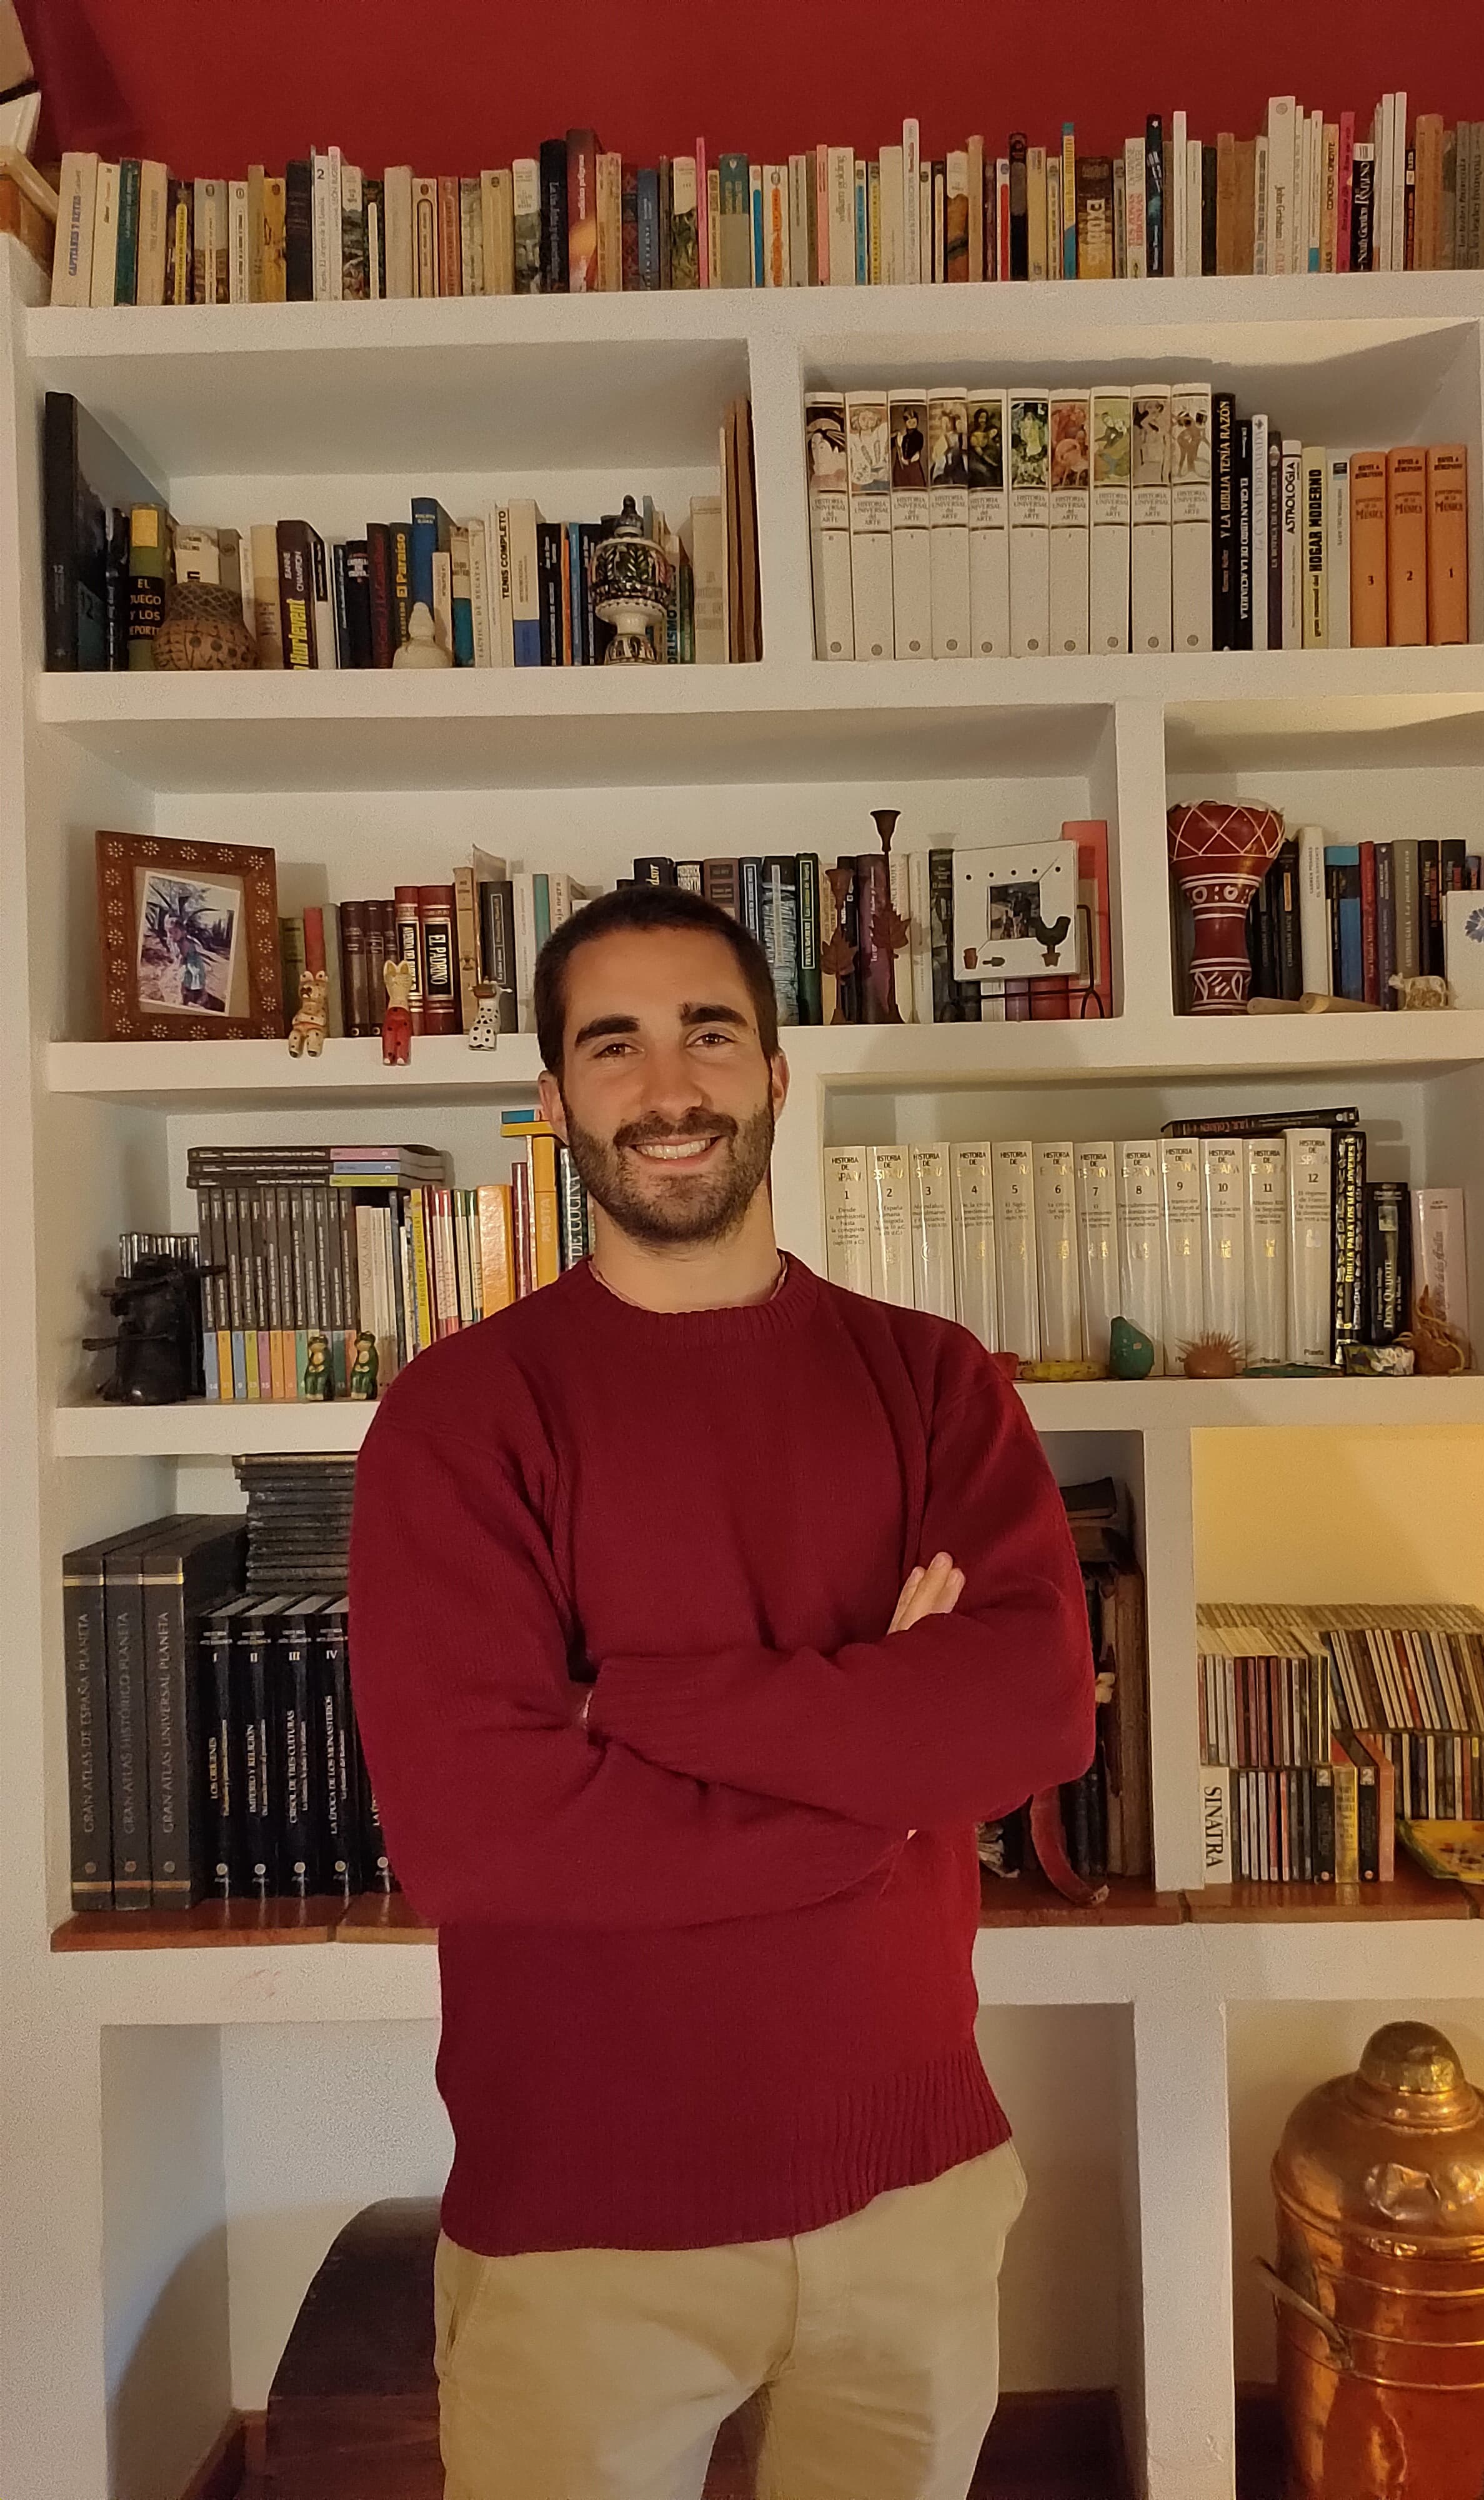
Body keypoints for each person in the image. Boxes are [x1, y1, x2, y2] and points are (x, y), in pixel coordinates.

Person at [349, 881, 1096, 2500]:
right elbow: (483, 1840)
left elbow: (1033, 1709)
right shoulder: (460, 1419)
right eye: (612, 1045)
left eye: (708, 1034)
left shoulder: (931, 1380)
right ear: (553, 1100)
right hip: (584, 2234)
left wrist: (631, 1705)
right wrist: (876, 1783)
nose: (668, 1086)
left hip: (914, 2199)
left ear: (773, 1073)